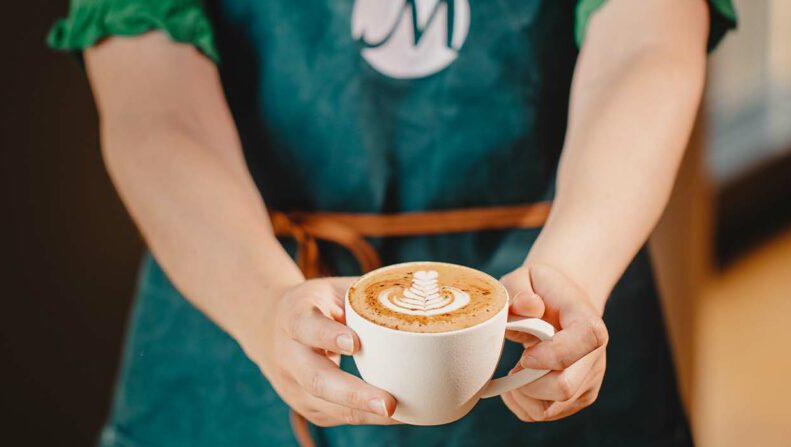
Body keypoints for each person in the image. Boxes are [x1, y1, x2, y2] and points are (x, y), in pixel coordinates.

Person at [48, 0, 736, 445]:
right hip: (236, 303)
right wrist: (262, 305)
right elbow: (157, 113)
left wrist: (576, 268)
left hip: (542, 300)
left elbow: (644, 46)